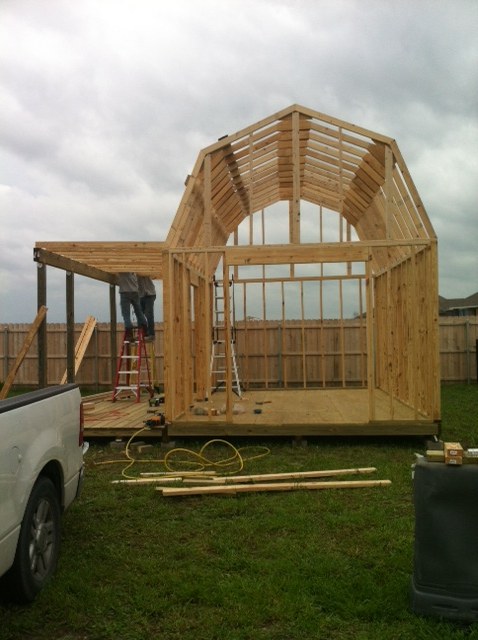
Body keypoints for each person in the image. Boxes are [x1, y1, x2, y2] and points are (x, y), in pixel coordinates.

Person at [117, 272, 148, 342]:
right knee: (139, 312)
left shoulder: (122, 267)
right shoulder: (133, 269)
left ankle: (129, 335)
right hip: (135, 291)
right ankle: (145, 330)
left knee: (126, 314)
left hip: (125, 292)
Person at [137, 275, 156, 342]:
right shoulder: (132, 271)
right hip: (140, 295)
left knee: (148, 313)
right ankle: (142, 334)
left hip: (150, 293)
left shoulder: (143, 269)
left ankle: (151, 334)